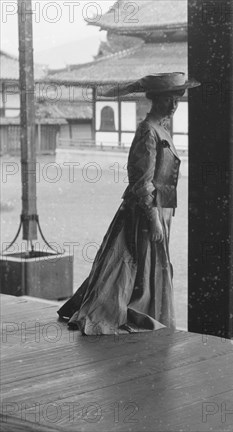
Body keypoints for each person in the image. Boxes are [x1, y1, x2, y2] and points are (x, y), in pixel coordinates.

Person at [57, 72, 200, 335]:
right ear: (155, 101)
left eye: (176, 100)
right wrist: (153, 218)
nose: (173, 106)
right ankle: (140, 313)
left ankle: (156, 315)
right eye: (168, 100)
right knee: (143, 265)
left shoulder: (161, 129)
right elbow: (141, 180)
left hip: (162, 209)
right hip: (146, 212)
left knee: (154, 265)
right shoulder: (147, 131)